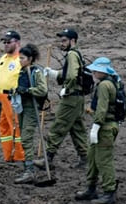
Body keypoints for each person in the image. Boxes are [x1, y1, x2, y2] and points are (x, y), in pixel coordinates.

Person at [38, 28, 89, 171]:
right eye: (61, 40)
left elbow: (72, 76)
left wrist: (68, 88)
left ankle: (48, 159)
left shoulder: (72, 54)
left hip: (71, 98)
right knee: (77, 129)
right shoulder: (77, 54)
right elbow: (71, 73)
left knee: (58, 126)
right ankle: (85, 158)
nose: (62, 43)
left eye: (64, 40)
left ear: (73, 41)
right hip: (78, 99)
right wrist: (54, 74)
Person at [75, 57, 120, 204]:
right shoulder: (109, 82)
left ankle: (109, 191)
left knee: (103, 160)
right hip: (105, 125)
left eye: (96, 70)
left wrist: (96, 125)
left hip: (105, 127)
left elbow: (102, 109)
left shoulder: (104, 86)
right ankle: (91, 188)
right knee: (93, 157)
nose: (93, 72)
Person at [13, 43, 49, 185]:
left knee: (27, 138)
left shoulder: (36, 72)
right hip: (22, 107)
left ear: (30, 59)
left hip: (31, 108)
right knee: (23, 137)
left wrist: (28, 91)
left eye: (22, 58)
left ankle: (29, 171)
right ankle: (27, 168)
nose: (20, 60)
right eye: (19, 58)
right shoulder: (21, 72)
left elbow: (42, 90)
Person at [0, 30, 25, 164]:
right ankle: (8, 155)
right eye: (4, 42)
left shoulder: (21, 59)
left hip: (12, 98)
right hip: (0, 97)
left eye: (9, 42)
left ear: (17, 43)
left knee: (15, 126)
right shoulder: (3, 58)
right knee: (3, 126)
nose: (6, 45)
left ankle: (19, 155)